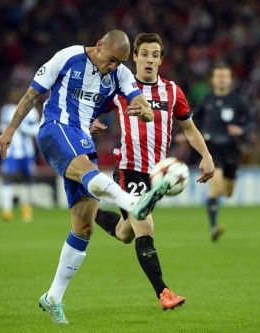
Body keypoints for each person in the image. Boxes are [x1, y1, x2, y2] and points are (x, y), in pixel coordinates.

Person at [0, 30, 173, 325]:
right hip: (55, 129)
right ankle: (132, 203)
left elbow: (142, 103)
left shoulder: (120, 73)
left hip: (83, 140)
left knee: (84, 227)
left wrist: (145, 110)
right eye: (111, 60)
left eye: (118, 63)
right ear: (99, 46)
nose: (112, 67)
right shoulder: (67, 57)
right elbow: (32, 94)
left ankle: (52, 298)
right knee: (89, 173)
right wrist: (9, 131)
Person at [91, 32, 214, 310]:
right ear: (134, 57)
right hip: (129, 170)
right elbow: (93, 107)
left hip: (155, 175)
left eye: (154, 55)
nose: (149, 60)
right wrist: (92, 120)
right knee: (144, 224)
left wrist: (205, 155)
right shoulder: (120, 87)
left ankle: (90, 209)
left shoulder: (172, 91)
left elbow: (189, 129)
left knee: (125, 233)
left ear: (161, 60)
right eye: (144, 54)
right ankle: (164, 293)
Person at [193, 63, 251, 242]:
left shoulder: (239, 101)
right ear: (212, 80)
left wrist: (241, 130)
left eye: (225, 76)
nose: (221, 79)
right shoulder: (206, 100)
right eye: (218, 76)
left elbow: (251, 122)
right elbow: (193, 120)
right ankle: (213, 227)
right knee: (215, 185)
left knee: (228, 192)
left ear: (230, 79)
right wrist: (191, 135)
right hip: (212, 148)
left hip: (232, 150)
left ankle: (215, 221)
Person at [0, 87, 40, 222]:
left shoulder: (31, 111)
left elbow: (36, 130)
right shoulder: (6, 110)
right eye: (13, 93)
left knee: (26, 180)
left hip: (27, 152)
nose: (15, 95)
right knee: (8, 178)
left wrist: (20, 126)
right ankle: (7, 211)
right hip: (11, 152)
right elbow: (0, 128)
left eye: (17, 93)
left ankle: (27, 210)